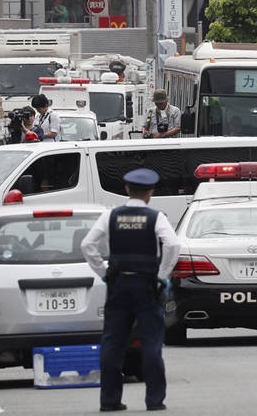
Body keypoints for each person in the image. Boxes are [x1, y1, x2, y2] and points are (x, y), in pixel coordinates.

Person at [81, 169, 181, 412]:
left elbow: (87, 245)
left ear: (127, 190)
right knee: (151, 343)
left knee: (113, 343)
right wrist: (162, 274)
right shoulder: (155, 217)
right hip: (147, 286)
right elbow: (173, 244)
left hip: (118, 285)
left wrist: (103, 273)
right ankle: (154, 401)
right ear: (151, 192)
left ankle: (109, 400)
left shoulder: (111, 216)